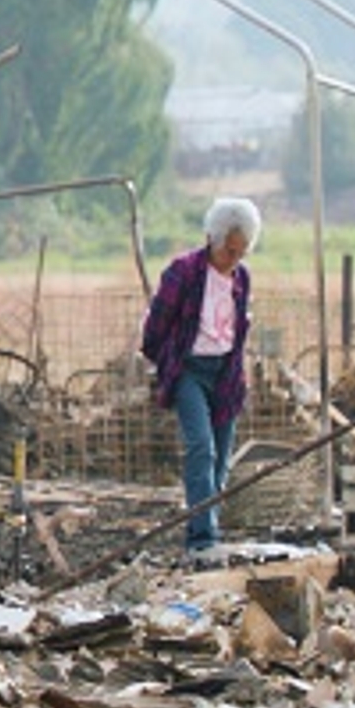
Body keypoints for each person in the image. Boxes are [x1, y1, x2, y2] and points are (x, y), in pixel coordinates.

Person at [140, 195, 259, 558]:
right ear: (213, 239)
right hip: (190, 369)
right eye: (229, 251)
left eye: (241, 252)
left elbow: (238, 329)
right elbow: (157, 323)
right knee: (200, 448)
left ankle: (209, 526)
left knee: (221, 457)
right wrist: (165, 362)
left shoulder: (241, 278)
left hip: (225, 372)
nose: (233, 259)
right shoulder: (185, 272)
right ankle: (202, 540)